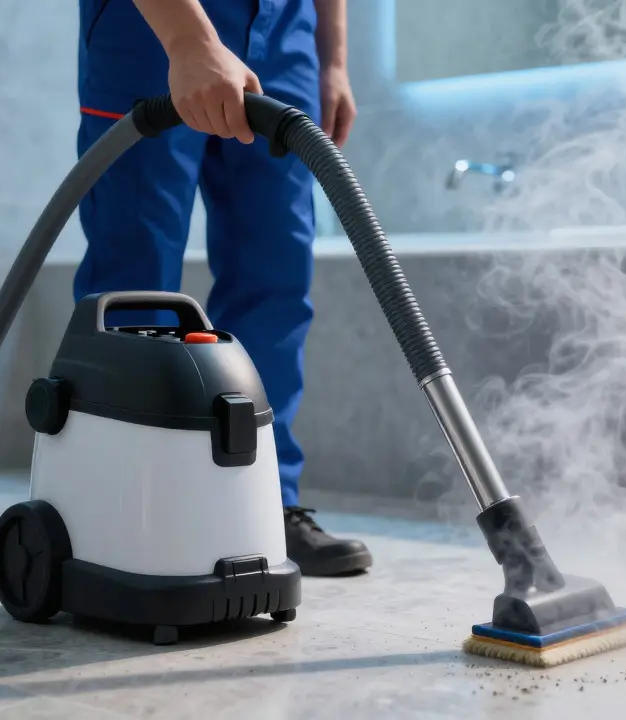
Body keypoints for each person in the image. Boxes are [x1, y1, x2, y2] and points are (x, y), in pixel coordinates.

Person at [75, 0, 373, 577]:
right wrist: (188, 39)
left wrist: (331, 59)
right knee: (135, 275)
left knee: (276, 268)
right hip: (151, 27)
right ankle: (127, 506)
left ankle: (265, 504)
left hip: (285, 29)